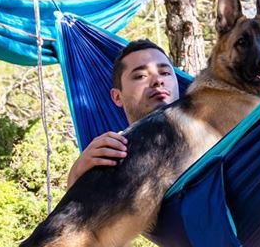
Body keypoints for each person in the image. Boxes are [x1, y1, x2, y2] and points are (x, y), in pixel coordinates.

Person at [66, 39, 180, 188]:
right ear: (117, 97)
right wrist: (75, 177)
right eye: (140, 76)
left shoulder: (210, 141)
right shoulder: (108, 159)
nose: (158, 80)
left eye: (165, 73)